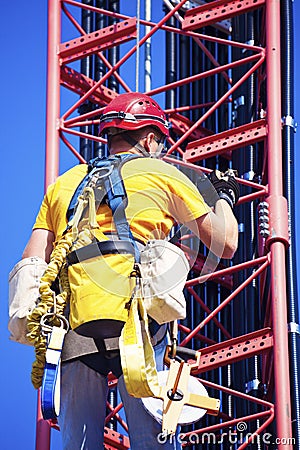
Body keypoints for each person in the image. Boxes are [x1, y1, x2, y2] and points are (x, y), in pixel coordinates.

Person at [9, 92, 239, 449]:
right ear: (149, 138)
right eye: (160, 142)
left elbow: (32, 261)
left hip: (74, 331)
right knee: (154, 440)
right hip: (139, 327)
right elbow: (225, 244)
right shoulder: (161, 172)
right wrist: (224, 197)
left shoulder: (64, 184)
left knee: (77, 444)